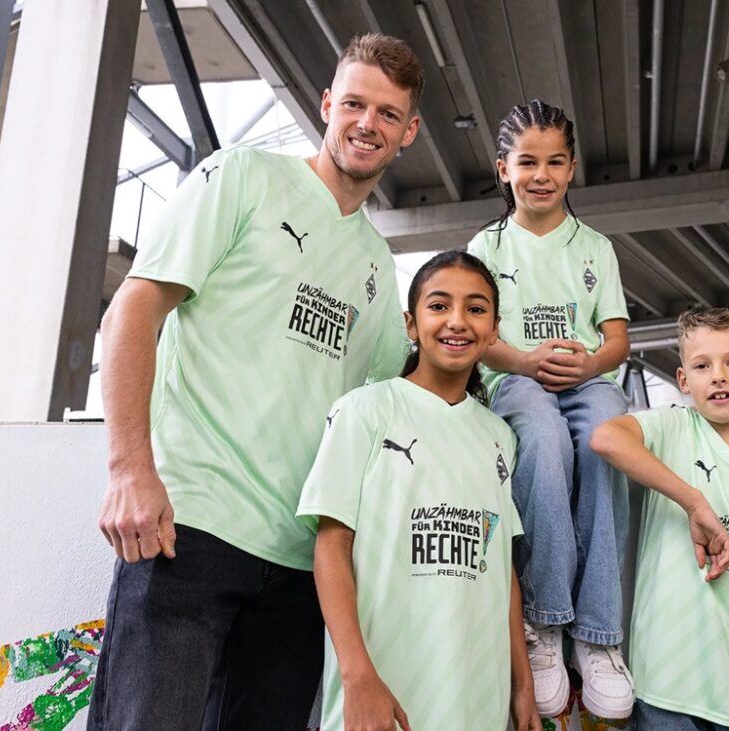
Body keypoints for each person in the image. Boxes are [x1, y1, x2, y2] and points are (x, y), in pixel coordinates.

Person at [89, 34, 420, 729]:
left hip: (299, 569)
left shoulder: (376, 267)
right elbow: (134, 308)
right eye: (355, 103)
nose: (368, 123)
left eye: (388, 114)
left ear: (409, 133)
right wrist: (128, 467)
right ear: (328, 104)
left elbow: (399, 402)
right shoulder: (242, 175)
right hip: (187, 528)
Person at [296, 251, 540, 731]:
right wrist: (358, 674)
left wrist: (522, 682)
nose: (457, 321)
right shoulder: (364, 411)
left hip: (477, 703)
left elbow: (501, 569)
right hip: (382, 700)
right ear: (411, 324)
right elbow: (331, 547)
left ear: (494, 332)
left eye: (475, 308)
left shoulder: (500, 436)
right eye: (438, 305)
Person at [466, 99, 634, 719]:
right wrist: (524, 362)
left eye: (555, 162)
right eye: (527, 162)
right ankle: (546, 623)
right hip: (517, 378)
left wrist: (590, 366)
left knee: (607, 438)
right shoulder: (486, 245)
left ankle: (598, 633)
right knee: (542, 440)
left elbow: (616, 338)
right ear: (503, 168)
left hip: (586, 378)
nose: (541, 174)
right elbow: (477, 332)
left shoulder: (595, 247)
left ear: (572, 168)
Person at [592, 308, 729, 731]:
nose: (718, 376)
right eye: (702, 366)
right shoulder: (673, 429)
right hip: (667, 691)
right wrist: (693, 501)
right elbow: (605, 437)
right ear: (683, 380)